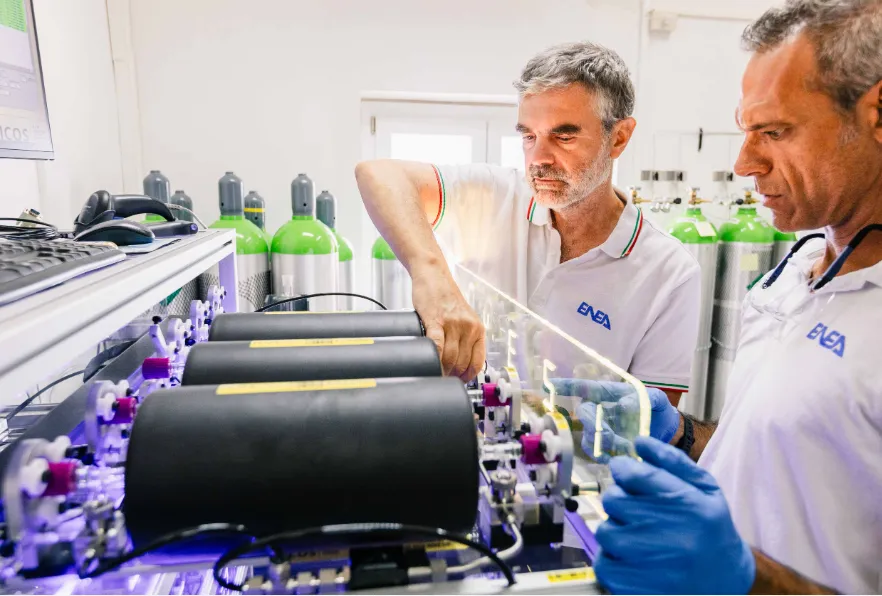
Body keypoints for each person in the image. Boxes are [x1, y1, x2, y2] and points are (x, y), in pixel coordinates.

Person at [579, 1, 882, 593]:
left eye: (774, 131)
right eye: (746, 131)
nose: (744, 163)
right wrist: (680, 433)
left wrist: (745, 580)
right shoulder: (799, 265)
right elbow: (785, 455)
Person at [356, 42, 700, 404]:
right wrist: (434, 280)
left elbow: (652, 424)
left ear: (619, 137)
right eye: (528, 136)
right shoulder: (495, 196)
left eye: (563, 137)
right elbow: (379, 174)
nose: (538, 159)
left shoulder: (669, 273)